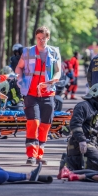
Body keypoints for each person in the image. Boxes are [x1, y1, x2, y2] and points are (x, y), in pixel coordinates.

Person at [15, 26, 62, 165]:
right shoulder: (28, 51)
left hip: (48, 92)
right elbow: (19, 67)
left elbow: (58, 71)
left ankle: (40, 155)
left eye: (43, 38)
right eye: (38, 38)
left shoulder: (54, 52)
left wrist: (55, 78)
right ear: (36, 38)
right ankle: (31, 154)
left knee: (46, 124)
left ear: (48, 38)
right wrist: (19, 79)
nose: (41, 41)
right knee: (33, 122)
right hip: (30, 92)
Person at [65, 83, 98, 171]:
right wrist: (82, 140)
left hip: (88, 145)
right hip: (80, 144)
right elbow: (75, 124)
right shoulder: (83, 106)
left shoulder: (94, 109)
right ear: (95, 95)